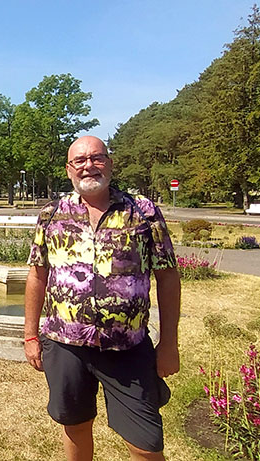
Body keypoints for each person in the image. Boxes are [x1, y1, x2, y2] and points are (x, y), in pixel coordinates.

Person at [23, 136, 181, 461]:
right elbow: (37, 275)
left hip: (128, 348)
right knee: (76, 426)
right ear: (69, 169)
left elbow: (167, 277)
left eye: (96, 158)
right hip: (65, 347)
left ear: (109, 163)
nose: (88, 166)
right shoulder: (52, 214)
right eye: (79, 161)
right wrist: (30, 336)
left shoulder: (142, 211)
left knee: (146, 444)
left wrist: (169, 344)